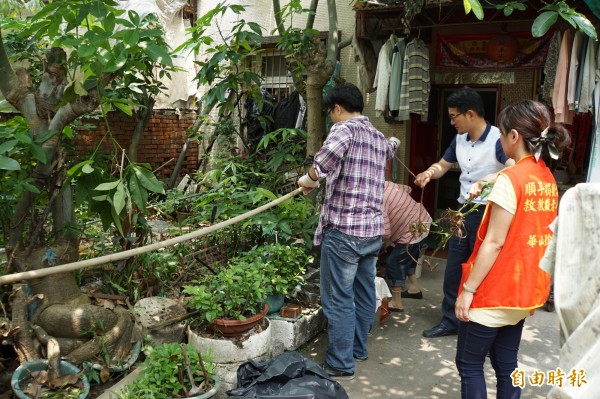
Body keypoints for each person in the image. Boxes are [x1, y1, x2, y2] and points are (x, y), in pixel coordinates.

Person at [454, 99, 570, 399]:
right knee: (506, 365)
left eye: (503, 133)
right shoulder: (545, 176)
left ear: (514, 137)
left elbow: (494, 242)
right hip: (524, 290)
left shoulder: (511, 179)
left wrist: (468, 290)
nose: (501, 139)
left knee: (469, 364)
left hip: (495, 290)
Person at [297, 82, 399, 380]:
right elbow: (391, 149)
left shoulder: (344, 130)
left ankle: (340, 363)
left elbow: (324, 162)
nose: (331, 118)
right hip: (371, 233)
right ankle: (357, 349)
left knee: (339, 298)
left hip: (344, 232)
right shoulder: (377, 136)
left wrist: (309, 179)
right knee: (364, 292)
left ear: (337, 108)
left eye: (331, 113)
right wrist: (394, 142)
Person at [414, 87, 514, 338]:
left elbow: (514, 169)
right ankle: (451, 320)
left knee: (483, 268)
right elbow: (444, 165)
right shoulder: (459, 138)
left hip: (489, 213)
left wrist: (487, 181)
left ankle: (481, 324)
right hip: (462, 211)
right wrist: (429, 172)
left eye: (453, 116)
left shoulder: (497, 139)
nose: (451, 122)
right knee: (455, 268)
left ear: (470, 114)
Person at [381, 181, 432, 312]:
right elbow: (408, 188)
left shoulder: (379, 201)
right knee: (408, 257)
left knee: (394, 262)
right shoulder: (388, 184)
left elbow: (385, 233)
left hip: (411, 231)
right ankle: (415, 289)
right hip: (423, 221)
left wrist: (383, 244)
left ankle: (397, 303)